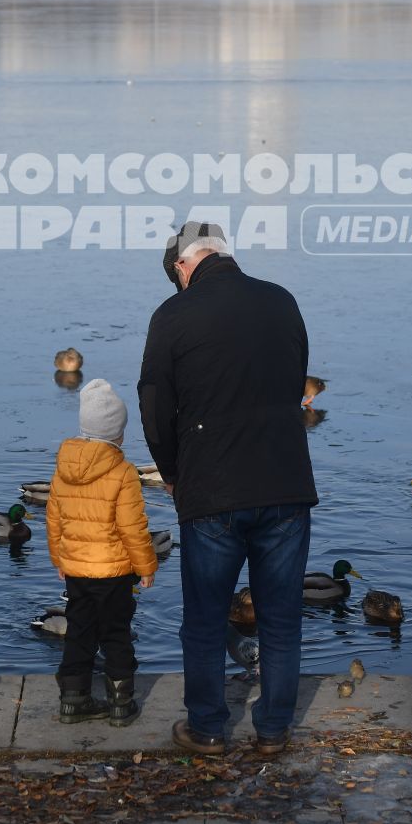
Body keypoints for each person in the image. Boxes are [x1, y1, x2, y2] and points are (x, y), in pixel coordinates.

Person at [140, 222, 316, 755]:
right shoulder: (282, 301)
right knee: (281, 617)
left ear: (182, 266)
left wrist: (172, 472)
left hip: (211, 489)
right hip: (285, 482)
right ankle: (273, 730)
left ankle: (209, 729)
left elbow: (154, 406)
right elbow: (294, 383)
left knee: (205, 618)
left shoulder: (172, 315)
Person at [46, 377, 160, 725]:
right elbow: (131, 526)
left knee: (79, 630)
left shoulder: (63, 466)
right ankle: (121, 703)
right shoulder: (123, 471)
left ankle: (73, 700)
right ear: (118, 434)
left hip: (78, 572)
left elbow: (54, 518)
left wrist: (59, 560)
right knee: (116, 632)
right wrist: (146, 566)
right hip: (113, 573)